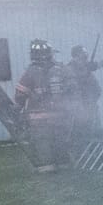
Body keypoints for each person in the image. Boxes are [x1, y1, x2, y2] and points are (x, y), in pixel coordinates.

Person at [14, 39, 71, 171]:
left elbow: (21, 94)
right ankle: (63, 163)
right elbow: (71, 90)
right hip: (60, 116)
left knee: (42, 142)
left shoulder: (30, 72)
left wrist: (17, 108)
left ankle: (47, 166)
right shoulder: (61, 70)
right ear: (50, 53)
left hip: (39, 118)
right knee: (60, 140)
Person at [64, 44, 103, 139]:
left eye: (86, 55)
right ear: (76, 56)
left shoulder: (86, 66)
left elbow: (99, 65)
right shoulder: (69, 69)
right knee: (82, 130)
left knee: (96, 130)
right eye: (83, 55)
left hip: (92, 103)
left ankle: (96, 147)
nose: (86, 57)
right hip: (80, 105)